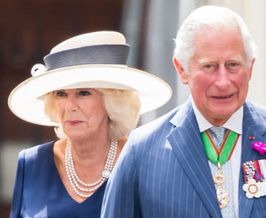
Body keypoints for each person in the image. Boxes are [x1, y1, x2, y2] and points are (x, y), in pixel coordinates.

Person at [101, 5, 266, 218]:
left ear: (250, 68)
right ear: (181, 69)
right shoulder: (141, 152)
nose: (223, 82)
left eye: (233, 65)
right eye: (210, 66)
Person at [8, 31, 171, 218]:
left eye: (83, 93)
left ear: (112, 101)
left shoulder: (141, 164)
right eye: (61, 94)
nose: (70, 106)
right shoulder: (31, 163)